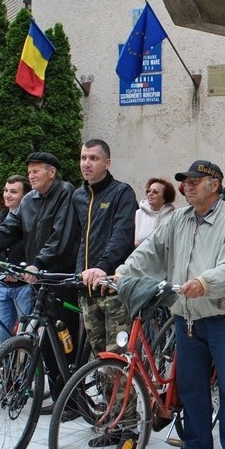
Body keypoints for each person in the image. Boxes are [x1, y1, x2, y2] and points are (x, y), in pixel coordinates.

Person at [115, 159, 225, 449]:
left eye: (195, 181)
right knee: (190, 386)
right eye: (185, 182)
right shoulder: (179, 219)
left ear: (215, 185)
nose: (188, 186)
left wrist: (204, 282)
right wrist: (125, 270)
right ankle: (197, 446)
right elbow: (151, 250)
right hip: (186, 316)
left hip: (223, 315)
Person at [0, 152, 80, 402]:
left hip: (60, 277)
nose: (31, 175)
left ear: (52, 172)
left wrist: (37, 264)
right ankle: (61, 399)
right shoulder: (28, 201)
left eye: (36, 171)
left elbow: (61, 235)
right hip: (37, 279)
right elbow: (6, 230)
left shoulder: (65, 193)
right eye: (29, 171)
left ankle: (73, 398)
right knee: (45, 342)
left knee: (65, 338)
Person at [73, 139, 137, 354]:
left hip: (113, 287)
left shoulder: (122, 193)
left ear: (107, 162)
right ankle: (104, 389)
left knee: (117, 357)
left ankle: (127, 388)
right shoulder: (78, 196)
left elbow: (122, 235)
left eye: (94, 158)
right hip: (87, 289)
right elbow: (77, 240)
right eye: (83, 158)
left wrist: (103, 267)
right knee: (99, 357)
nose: (86, 163)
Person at [0, 175, 33, 344]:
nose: (8, 195)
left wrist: (20, 271)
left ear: (25, 196)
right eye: (6, 191)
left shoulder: (30, 221)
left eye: (13, 192)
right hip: (4, 286)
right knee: (1, 337)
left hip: (24, 287)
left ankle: (24, 369)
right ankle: (6, 369)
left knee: (25, 336)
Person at [135, 178, 176, 246]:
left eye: (155, 192)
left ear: (165, 198)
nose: (150, 194)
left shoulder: (173, 217)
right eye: (148, 191)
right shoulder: (139, 214)